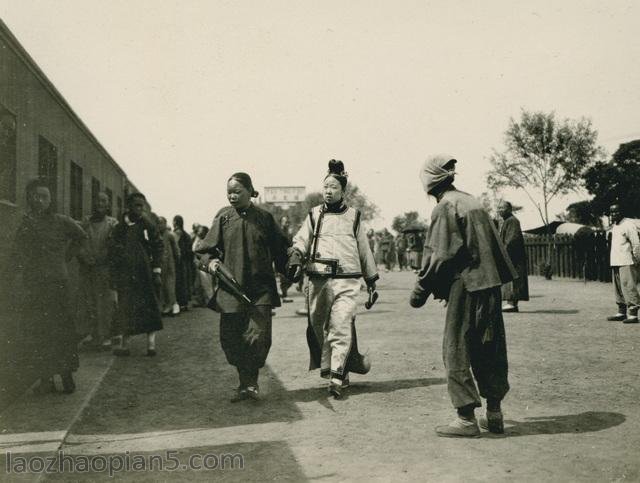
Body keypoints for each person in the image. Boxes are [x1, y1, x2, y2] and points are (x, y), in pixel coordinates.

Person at [410, 155, 516, 437]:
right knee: (490, 348)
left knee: (456, 348)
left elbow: (439, 255)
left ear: (431, 181)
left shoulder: (445, 207)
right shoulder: (472, 201)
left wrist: (420, 291)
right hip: (490, 286)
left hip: (467, 287)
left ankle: (466, 418)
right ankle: (494, 413)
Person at [195, 172, 290, 402]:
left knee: (257, 338)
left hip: (261, 290)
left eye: (237, 192)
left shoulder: (265, 219)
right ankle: (244, 383)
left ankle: (251, 383)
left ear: (250, 191)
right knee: (231, 339)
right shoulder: (224, 218)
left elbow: (281, 250)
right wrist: (212, 262)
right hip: (231, 290)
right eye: (229, 192)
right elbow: (203, 251)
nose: (232, 196)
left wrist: (291, 268)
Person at [288, 160, 378, 399]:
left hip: (348, 281)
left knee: (341, 325)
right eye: (325, 186)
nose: (328, 190)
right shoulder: (314, 215)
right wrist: (297, 254)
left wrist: (371, 281)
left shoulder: (355, 217)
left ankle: (337, 375)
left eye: (333, 187)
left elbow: (364, 250)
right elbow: (301, 240)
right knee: (319, 328)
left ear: (343, 191)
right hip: (318, 280)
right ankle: (338, 366)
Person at [12, 178, 87, 393]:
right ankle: (46, 380)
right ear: (29, 198)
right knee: (39, 331)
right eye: (35, 196)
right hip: (36, 285)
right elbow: (18, 251)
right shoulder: (26, 224)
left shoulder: (61, 221)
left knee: (61, 329)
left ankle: (66, 376)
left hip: (58, 284)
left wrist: (66, 258)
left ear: (50, 199)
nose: (39, 200)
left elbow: (81, 237)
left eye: (44, 196)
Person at [109, 192, 164, 356]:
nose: (139, 209)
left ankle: (151, 344)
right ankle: (125, 345)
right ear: (129, 207)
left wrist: (156, 270)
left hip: (144, 272)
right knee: (126, 306)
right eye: (136, 205)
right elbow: (112, 246)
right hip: (126, 273)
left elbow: (158, 246)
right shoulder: (121, 226)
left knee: (149, 306)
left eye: (142, 206)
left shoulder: (147, 224)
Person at [77, 192, 118, 349]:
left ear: (108, 205)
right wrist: (85, 258)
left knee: (105, 302)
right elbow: (78, 242)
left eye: (104, 201)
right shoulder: (85, 223)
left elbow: (114, 246)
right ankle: (94, 334)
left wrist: (105, 258)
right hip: (87, 268)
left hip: (104, 269)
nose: (100, 204)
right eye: (97, 200)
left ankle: (106, 335)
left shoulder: (112, 224)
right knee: (89, 301)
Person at [607, 204, 640, 324]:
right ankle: (621, 311)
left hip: (627, 260)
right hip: (616, 261)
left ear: (622, 212)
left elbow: (636, 243)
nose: (613, 214)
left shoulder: (628, 225)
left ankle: (633, 314)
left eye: (616, 212)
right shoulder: (615, 226)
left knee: (629, 286)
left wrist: (637, 258)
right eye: (611, 212)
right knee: (618, 288)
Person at [497, 201, 529, 312]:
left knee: (513, 279)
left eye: (503, 208)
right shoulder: (507, 221)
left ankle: (512, 303)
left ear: (509, 209)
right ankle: (511, 303)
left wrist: (504, 253)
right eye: (499, 208)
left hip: (513, 256)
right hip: (510, 255)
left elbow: (511, 240)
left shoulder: (512, 221)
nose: (500, 210)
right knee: (510, 279)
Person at [158, 216, 181, 316]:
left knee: (170, 285)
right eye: (158, 223)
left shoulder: (170, 235)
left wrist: (177, 259)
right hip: (160, 263)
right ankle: (166, 306)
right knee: (162, 286)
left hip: (170, 263)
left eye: (161, 223)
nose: (159, 225)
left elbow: (176, 249)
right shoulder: (157, 235)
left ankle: (174, 305)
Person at [173, 215, 194, 311]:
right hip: (186, 261)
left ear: (176, 222)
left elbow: (175, 246)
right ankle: (184, 303)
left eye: (174, 221)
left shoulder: (177, 233)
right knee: (185, 281)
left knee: (179, 281)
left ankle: (181, 302)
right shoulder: (186, 234)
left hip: (179, 261)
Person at [192, 225, 215, 307]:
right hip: (198, 264)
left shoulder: (207, 241)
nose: (199, 232)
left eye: (201, 231)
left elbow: (197, 251)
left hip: (205, 264)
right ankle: (200, 301)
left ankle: (210, 301)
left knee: (206, 284)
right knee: (197, 285)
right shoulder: (198, 240)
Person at [279, 216, 294, 303]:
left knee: (291, 277)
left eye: (287, 221)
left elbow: (291, 243)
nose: (286, 223)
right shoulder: (278, 231)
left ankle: (283, 292)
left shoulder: (289, 231)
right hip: (281, 257)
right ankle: (284, 295)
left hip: (289, 256)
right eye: (285, 221)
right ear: (281, 222)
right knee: (283, 277)